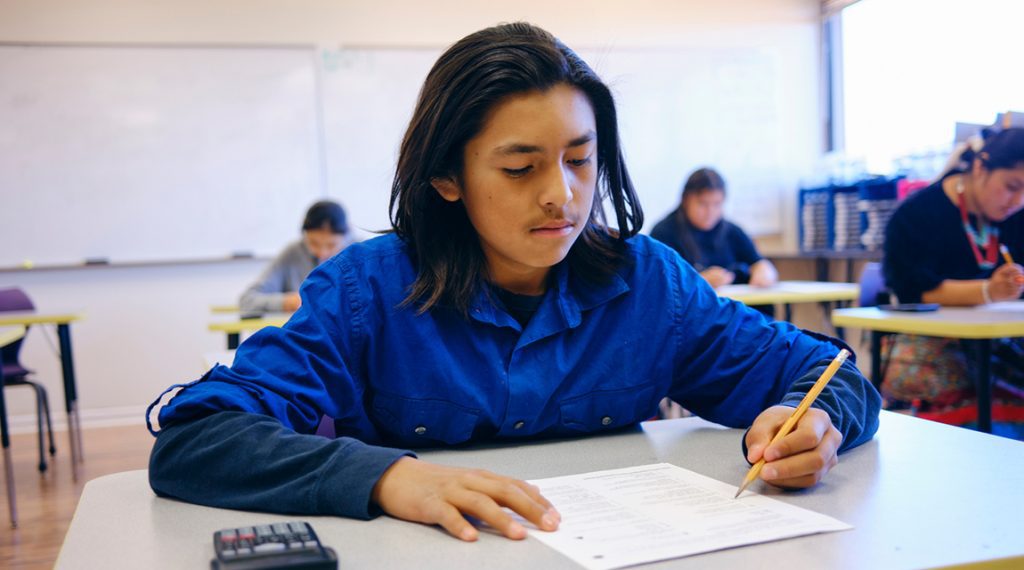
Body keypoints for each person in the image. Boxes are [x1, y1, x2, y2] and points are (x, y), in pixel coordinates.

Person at [147, 22, 880, 543]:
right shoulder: (366, 292)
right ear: (446, 176)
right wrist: (388, 479)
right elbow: (199, 439)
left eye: (581, 160)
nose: (562, 195)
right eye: (520, 168)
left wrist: (816, 421)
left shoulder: (650, 285)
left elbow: (827, 371)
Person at [882, 127, 1024, 426]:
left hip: (1005, 344)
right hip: (935, 345)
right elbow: (912, 289)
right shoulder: (917, 214)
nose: (1018, 201)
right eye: (1012, 186)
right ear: (980, 167)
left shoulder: (1016, 217)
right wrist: (987, 291)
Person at [650, 167, 778, 289]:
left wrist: (764, 271)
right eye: (703, 203)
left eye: (717, 204)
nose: (710, 211)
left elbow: (758, 262)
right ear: (686, 200)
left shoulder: (732, 231)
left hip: (731, 308)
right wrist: (699, 280)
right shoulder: (663, 233)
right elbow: (657, 281)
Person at [238, 200, 354, 314]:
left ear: (347, 235)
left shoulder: (360, 253)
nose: (322, 253)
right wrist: (285, 302)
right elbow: (247, 300)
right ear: (304, 235)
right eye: (314, 243)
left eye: (331, 245)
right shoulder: (292, 254)